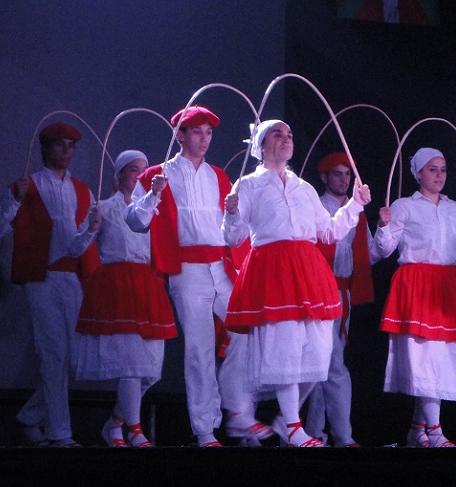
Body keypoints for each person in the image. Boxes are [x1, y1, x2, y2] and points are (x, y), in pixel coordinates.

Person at [222, 120, 371, 447]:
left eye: (289, 134)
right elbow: (233, 236)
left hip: (308, 271)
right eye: (278, 134)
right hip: (273, 271)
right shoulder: (247, 185)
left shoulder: (303, 187)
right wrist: (231, 214)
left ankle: (285, 421)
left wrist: (356, 204)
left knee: (319, 353)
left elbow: (328, 231)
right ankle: (292, 425)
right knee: (285, 349)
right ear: (261, 145)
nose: (286, 138)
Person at [125, 105, 264, 447]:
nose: (204, 139)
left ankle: (237, 412)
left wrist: (233, 216)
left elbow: (233, 235)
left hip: (220, 265)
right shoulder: (160, 174)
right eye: (197, 132)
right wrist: (153, 194)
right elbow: (134, 221)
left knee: (248, 330)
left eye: (209, 133)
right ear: (180, 135)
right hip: (187, 270)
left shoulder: (218, 176)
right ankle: (204, 429)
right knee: (200, 349)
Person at [0, 122, 99, 448]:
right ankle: (60, 433)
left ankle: (30, 416)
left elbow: (79, 245)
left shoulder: (83, 191)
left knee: (74, 358)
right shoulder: (27, 185)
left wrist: (90, 234)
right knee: (53, 353)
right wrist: (13, 200)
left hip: (71, 278)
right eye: (60, 144)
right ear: (45, 148)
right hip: (41, 278)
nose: (67, 150)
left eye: (71, 145)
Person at [373, 148, 456, 448]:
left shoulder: (454, 209)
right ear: (418, 173)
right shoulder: (404, 206)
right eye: (432, 169)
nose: (439, 175)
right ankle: (434, 429)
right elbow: (384, 250)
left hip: (447, 286)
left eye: (443, 169)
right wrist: (384, 226)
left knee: (443, 357)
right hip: (417, 284)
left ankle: (417, 429)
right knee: (425, 357)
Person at [71, 150, 177, 447]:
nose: (139, 176)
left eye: (144, 170)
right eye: (133, 170)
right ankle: (135, 430)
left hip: (147, 286)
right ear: (119, 176)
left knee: (151, 372)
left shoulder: (152, 206)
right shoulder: (103, 207)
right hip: (118, 286)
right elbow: (74, 248)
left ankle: (115, 423)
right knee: (131, 365)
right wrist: (90, 228)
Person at [305, 152, 376, 448]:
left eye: (348, 174)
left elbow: (371, 253)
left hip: (343, 294)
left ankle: (313, 433)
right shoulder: (315, 207)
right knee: (330, 364)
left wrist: (386, 230)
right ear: (324, 178)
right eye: (337, 174)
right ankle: (342, 436)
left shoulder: (356, 210)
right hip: (319, 294)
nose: (344, 180)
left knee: (327, 363)